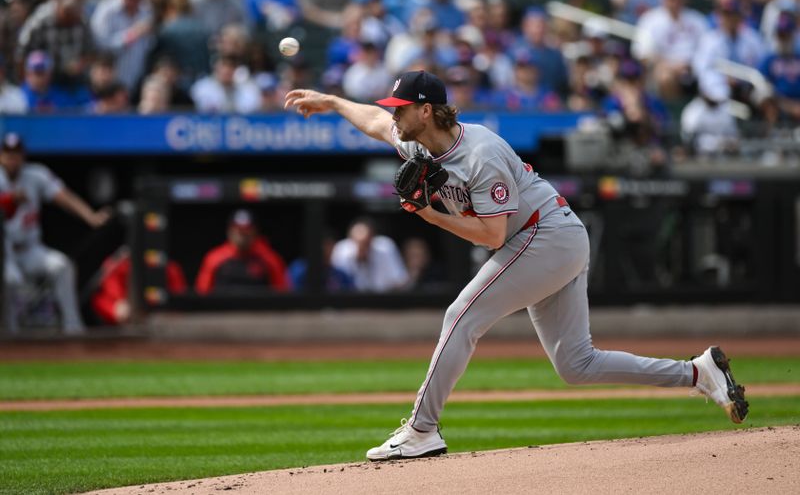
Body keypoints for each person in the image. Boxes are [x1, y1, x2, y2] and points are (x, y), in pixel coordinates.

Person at [284, 70, 749, 461]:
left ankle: (422, 430)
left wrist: (428, 213)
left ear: (426, 111)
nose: (394, 114)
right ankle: (698, 373)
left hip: (544, 235)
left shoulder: (480, 154)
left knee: (461, 315)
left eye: (401, 107)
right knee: (577, 364)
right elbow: (372, 121)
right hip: (550, 238)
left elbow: (493, 237)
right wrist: (330, 101)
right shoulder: (416, 143)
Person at [1, 132, 110, 336]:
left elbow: (63, 196)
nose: (12, 158)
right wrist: (8, 201)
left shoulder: (35, 174)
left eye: (16, 153)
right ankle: (10, 337)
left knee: (62, 266)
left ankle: (73, 330)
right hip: (4, 253)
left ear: (23, 155)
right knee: (10, 281)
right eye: (7, 154)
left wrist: (90, 216)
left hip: (31, 248)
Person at [194, 208, 291, 294]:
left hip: (260, 313)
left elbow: (283, 293)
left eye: (247, 230)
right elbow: (202, 293)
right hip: (223, 312)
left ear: (255, 232)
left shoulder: (270, 258)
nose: (242, 235)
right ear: (229, 231)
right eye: (238, 230)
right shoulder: (214, 258)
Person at [90, 246, 187, 325]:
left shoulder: (170, 267)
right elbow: (108, 291)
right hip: (126, 313)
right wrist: (119, 307)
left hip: (159, 317)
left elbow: (178, 295)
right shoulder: (120, 264)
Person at [330, 217, 409, 292]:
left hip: (384, 300)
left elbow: (400, 280)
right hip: (351, 302)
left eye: (365, 243)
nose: (361, 247)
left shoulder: (385, 247)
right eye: (358, 243)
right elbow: (336, 282)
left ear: (372, 239)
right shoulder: (341, 250)